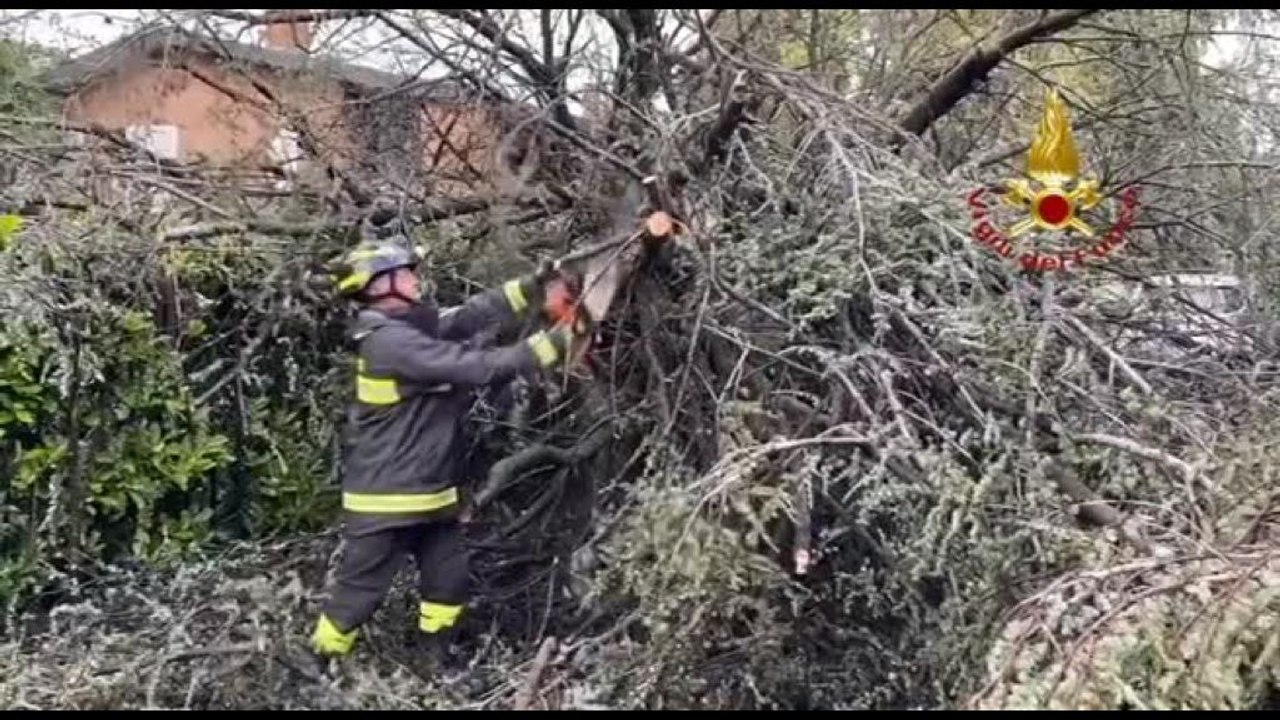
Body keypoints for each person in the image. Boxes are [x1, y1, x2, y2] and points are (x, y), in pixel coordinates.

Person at [308, 237, 581, 666]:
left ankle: (432, 665)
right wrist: (554, 345)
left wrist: (532, 286)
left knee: (448, 586)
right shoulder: (388, 342)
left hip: (431, 495)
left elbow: (470, 316)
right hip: (386, 500)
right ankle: (314, 669)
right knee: (354, 601)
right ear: (382, 286)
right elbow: (475, 367)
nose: (415, 280)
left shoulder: (412, 326)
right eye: (406, 273)